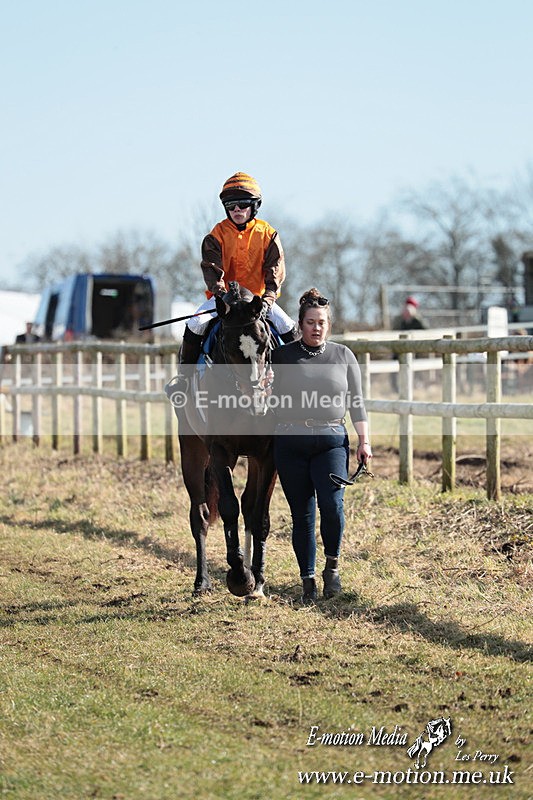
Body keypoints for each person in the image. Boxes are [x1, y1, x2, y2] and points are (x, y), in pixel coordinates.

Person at [270, 288, 372, 603]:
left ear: (329, 324)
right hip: (290, 444)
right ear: (300, 324)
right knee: (302, 515)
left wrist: (364, 441)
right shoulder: (282, 356)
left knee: (331, 506)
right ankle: (308, 581)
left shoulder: (343, 355)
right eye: (311, 322)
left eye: (322, 322)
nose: (317, 327)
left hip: (331, 442)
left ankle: (333, 569)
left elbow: (356, 402)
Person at [177, 172, 298, 384]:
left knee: (288, 327)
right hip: (225, 302)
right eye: (231, 206)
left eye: (242, 205)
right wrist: (223, 297)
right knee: (195, 323)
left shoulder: (268, 234)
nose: (237, 210)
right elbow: (213, 274)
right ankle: (184, 381)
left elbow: (275, 269)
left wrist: (269, 298)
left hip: (258, 301)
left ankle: (302, 378)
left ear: (254, 206)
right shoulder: (215, 236)